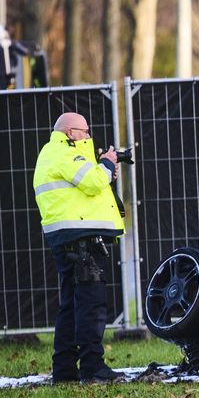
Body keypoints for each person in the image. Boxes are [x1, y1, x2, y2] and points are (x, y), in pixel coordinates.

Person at [33, 112, 125, 383]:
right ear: (71, 133)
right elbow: (93, 182)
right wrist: (106, 166)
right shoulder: (63, 153)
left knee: (71, 303)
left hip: (67, 237)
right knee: (91, 303)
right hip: (80, 239)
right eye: (85, 131)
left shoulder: (51, 154)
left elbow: (84, 188)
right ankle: (93, 367)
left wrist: (102, 167)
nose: (88, 136)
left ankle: (64, 369)